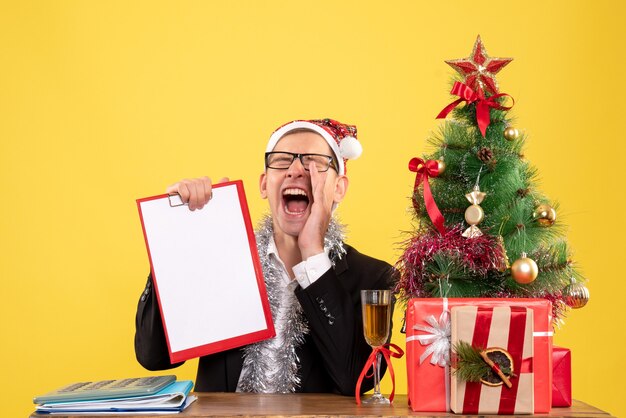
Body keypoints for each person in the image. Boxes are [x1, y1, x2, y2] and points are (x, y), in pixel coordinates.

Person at [134, 118, 396, 395]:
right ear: (263, 184)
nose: (296, 170)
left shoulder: (374, 278)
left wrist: (313, 253)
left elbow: (354, 379)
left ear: (339, 188)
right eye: (282, 161)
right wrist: (176, 238)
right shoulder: (224, 258)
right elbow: (153, 355)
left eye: (314, 162)